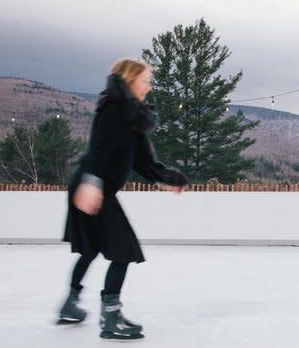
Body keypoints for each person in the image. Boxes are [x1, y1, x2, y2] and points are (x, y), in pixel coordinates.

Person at [57, 59, 187, 340]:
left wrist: (167, 177)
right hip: (92, 187)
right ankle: (111, 317)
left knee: (91, 249)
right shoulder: (113, 109)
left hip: (93, 187)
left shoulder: (131, 116)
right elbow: (98, 148)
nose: (148, 86)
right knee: (124, 250)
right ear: (129, 81)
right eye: (144, 80)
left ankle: (70, 304)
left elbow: (142, 161)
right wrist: (92, 182)